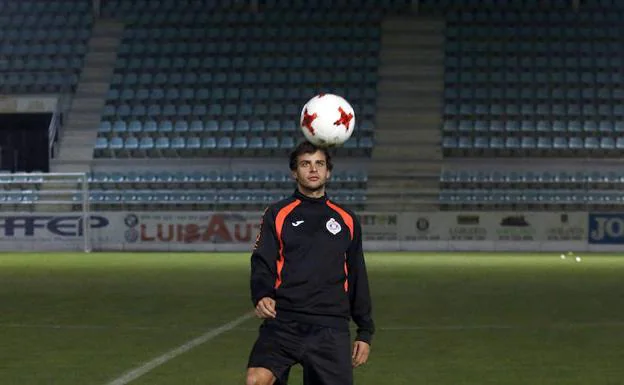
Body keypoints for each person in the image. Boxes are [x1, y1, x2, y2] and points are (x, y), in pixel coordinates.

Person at [245, 141, 375, 385]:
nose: (313, 169)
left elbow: (357, 275)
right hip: (284, 321)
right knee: (256, 380)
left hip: (330, 327)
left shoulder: (346, 219)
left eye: (319, 164)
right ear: (295, 172)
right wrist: (262, 294)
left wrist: (364, 331)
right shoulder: (278, 213)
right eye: (305, 164)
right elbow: (263, 260)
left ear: (328, 172)